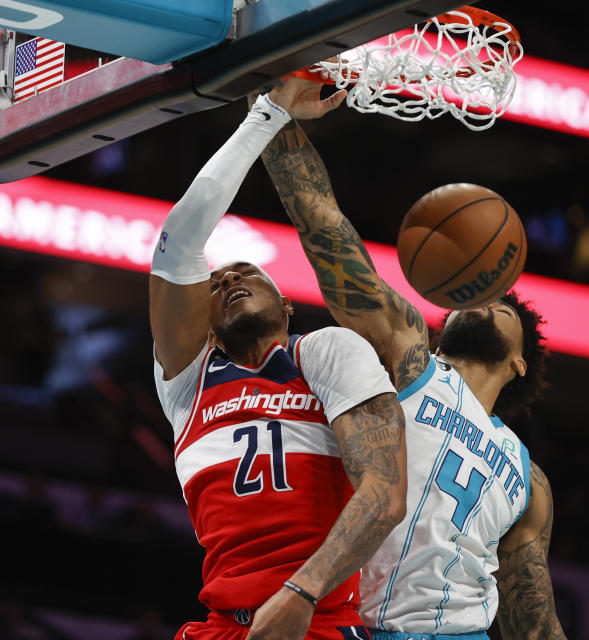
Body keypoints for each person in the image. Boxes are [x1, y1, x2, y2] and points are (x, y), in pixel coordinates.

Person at [258, 78, 566, 640]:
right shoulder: (409, 357)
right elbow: (325, 225)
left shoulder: (529, 479)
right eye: (478, 296)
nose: (487, 301)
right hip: (347, 625)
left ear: (521, 363)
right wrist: (272, 113)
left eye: (503, 305)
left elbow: (536, 623)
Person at [149, 77, 408, 640]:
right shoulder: (187, 382)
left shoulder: (326, 353)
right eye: (216, 282)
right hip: (222, 625)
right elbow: (179, 239)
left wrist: (300, 593)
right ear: (205, 323)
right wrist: (267, 115)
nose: (230, 278)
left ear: (287, 305)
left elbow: (384, 496)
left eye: (246, 272)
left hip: (314, 617)